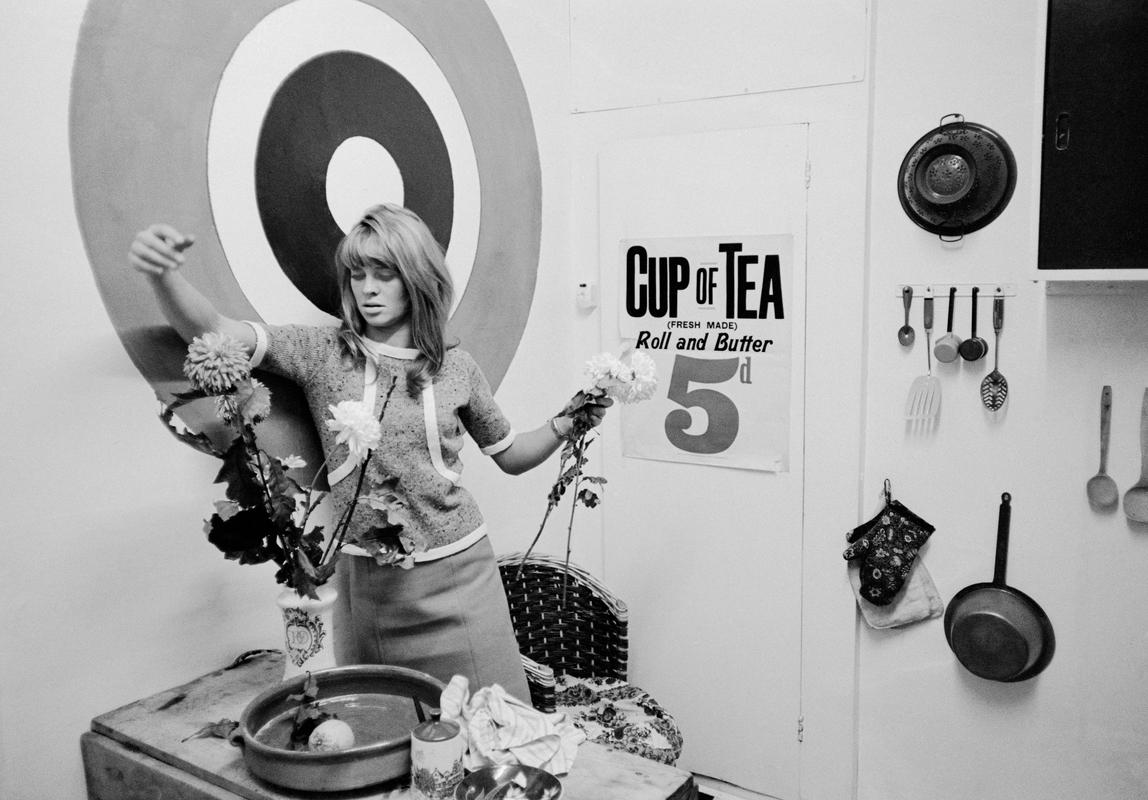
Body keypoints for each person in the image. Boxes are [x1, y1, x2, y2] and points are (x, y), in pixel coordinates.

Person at [128, 203, 609, 703]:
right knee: (387, 725)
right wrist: (164, 276)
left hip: (461, 576)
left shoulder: (456, 369)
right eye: (357, 273)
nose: (368, 288)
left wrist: (565, 422)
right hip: (368, 584)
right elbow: (216, 331)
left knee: (491, 725)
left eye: (385, 273)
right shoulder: (322, 353)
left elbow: (510, 455)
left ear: (417, 279)